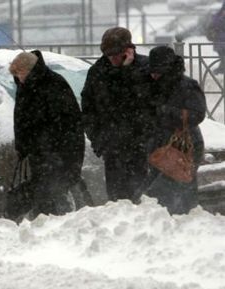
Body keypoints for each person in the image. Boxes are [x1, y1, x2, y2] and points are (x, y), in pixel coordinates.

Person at [81, 27, 153, 204]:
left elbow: (146, 100)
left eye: (116, 54)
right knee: (117, 199)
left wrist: (126, 72)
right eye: (108, 55)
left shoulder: (145, 68)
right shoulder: (98, 72)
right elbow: (89, 109)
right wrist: (99, 140)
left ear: (128, 50)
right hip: (113, 146)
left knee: (144, 198)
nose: (112, 58)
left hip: (142, 145)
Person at [9, 50, 85, 217]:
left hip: (54, 153)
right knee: (41, 196)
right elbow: (23, 119)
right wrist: (23, 147)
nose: (18, 79)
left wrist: (51, 149)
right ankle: (43, 224)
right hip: (39, 154)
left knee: (50, 196)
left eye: (19, 74)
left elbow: (66, 124)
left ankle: (51, 227)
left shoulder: (53, 84)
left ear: (29, 70)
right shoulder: (26, 85)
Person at [144, 46, 206, 215]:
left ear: (168, 69)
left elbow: (198, 114)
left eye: (158, 71)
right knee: (165, 191)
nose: (154, 75)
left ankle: (181, 224)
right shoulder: (152, 84)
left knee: (176, 189)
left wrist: (166, 111)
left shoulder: (187, 85)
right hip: (160, 146)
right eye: (153, 71)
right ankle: (169, 223)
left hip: (183, 145)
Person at [208, 3, 225, 74]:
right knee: (223, 58)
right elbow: (214, 24)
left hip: (220, 42)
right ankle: (220, 70)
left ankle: (220, 70)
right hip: (220, 42)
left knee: (223, 59)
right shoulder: (218, 17)